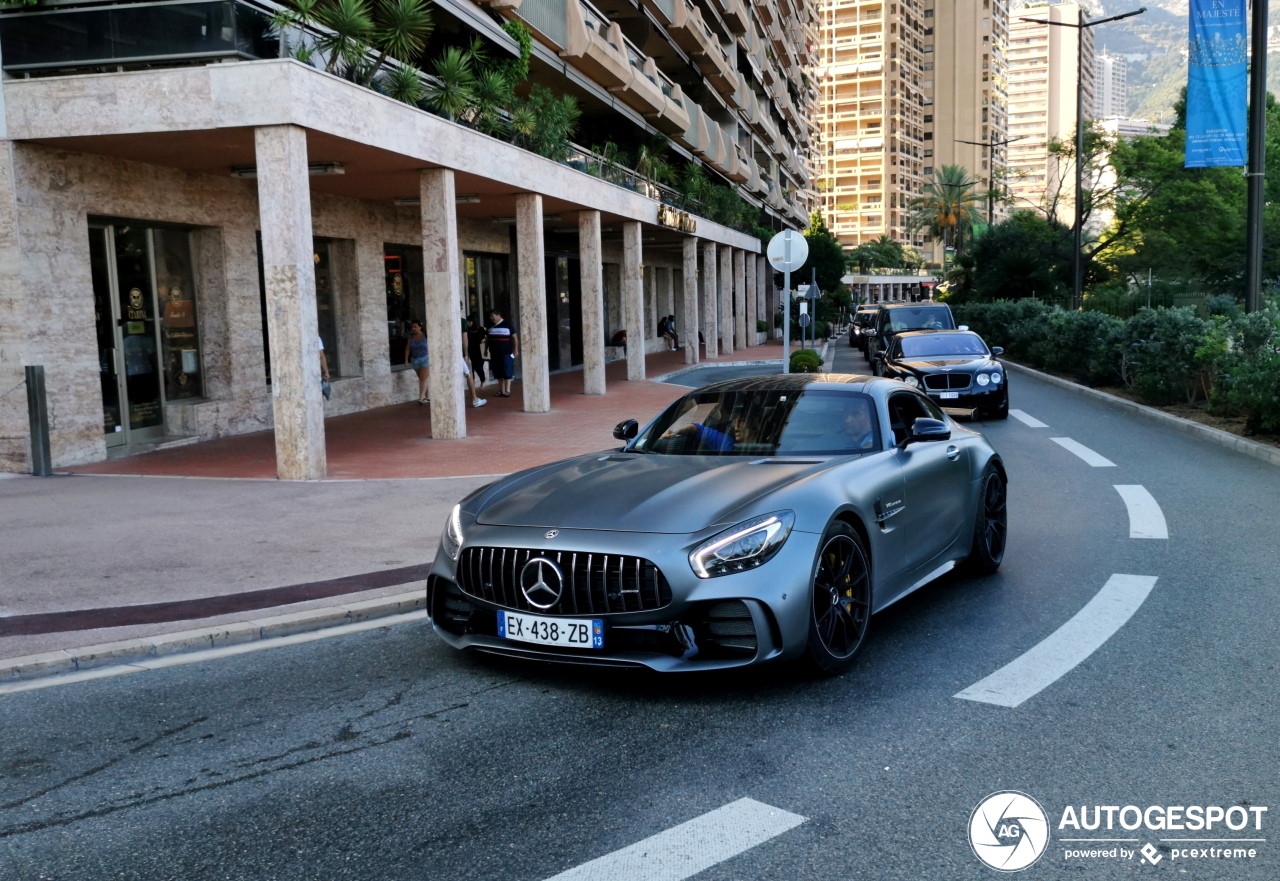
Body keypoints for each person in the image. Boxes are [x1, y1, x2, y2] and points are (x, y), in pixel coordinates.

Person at [487, 309, 518, 398]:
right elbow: (488, 339)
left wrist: (515, 349)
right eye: (490, 316)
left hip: (506, 353)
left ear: (498, 315)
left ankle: (507, 390)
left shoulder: (508, 325)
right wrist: (485, 350)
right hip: (494, 353)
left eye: (493, 316)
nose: (491, 318)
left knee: (507, 371)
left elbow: (515, 338)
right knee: (498, 372)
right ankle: (501, 390)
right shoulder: (490, 326)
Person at [460, 323, 486, 409]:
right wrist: (466, 354)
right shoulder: (461, 322)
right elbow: (465, 338)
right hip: (458, 354)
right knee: (468, 374)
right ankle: (475, 399)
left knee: (469, 373)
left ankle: (475, 398)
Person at [404, 319, 429, 404]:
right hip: (415, 360)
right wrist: (406, 359)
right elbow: (408, 348)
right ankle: (428, 396)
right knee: (422, 378)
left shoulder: (426, 335)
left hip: (425, 358)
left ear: (420, 327)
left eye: (415, 327)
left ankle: (421, 398)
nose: (413, 328)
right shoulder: (411, 337)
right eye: (412, 327)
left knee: (423, 378)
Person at [466, 314, 487, 389]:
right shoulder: (468, 331)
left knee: (479, 367)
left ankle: (483, 380)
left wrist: (484, 340)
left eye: (470, 322)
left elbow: (487, 337)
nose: (468, 324)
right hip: (471, 351)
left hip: (480, 352)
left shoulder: (481, 329)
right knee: (472, 368)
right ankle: (473, 383)